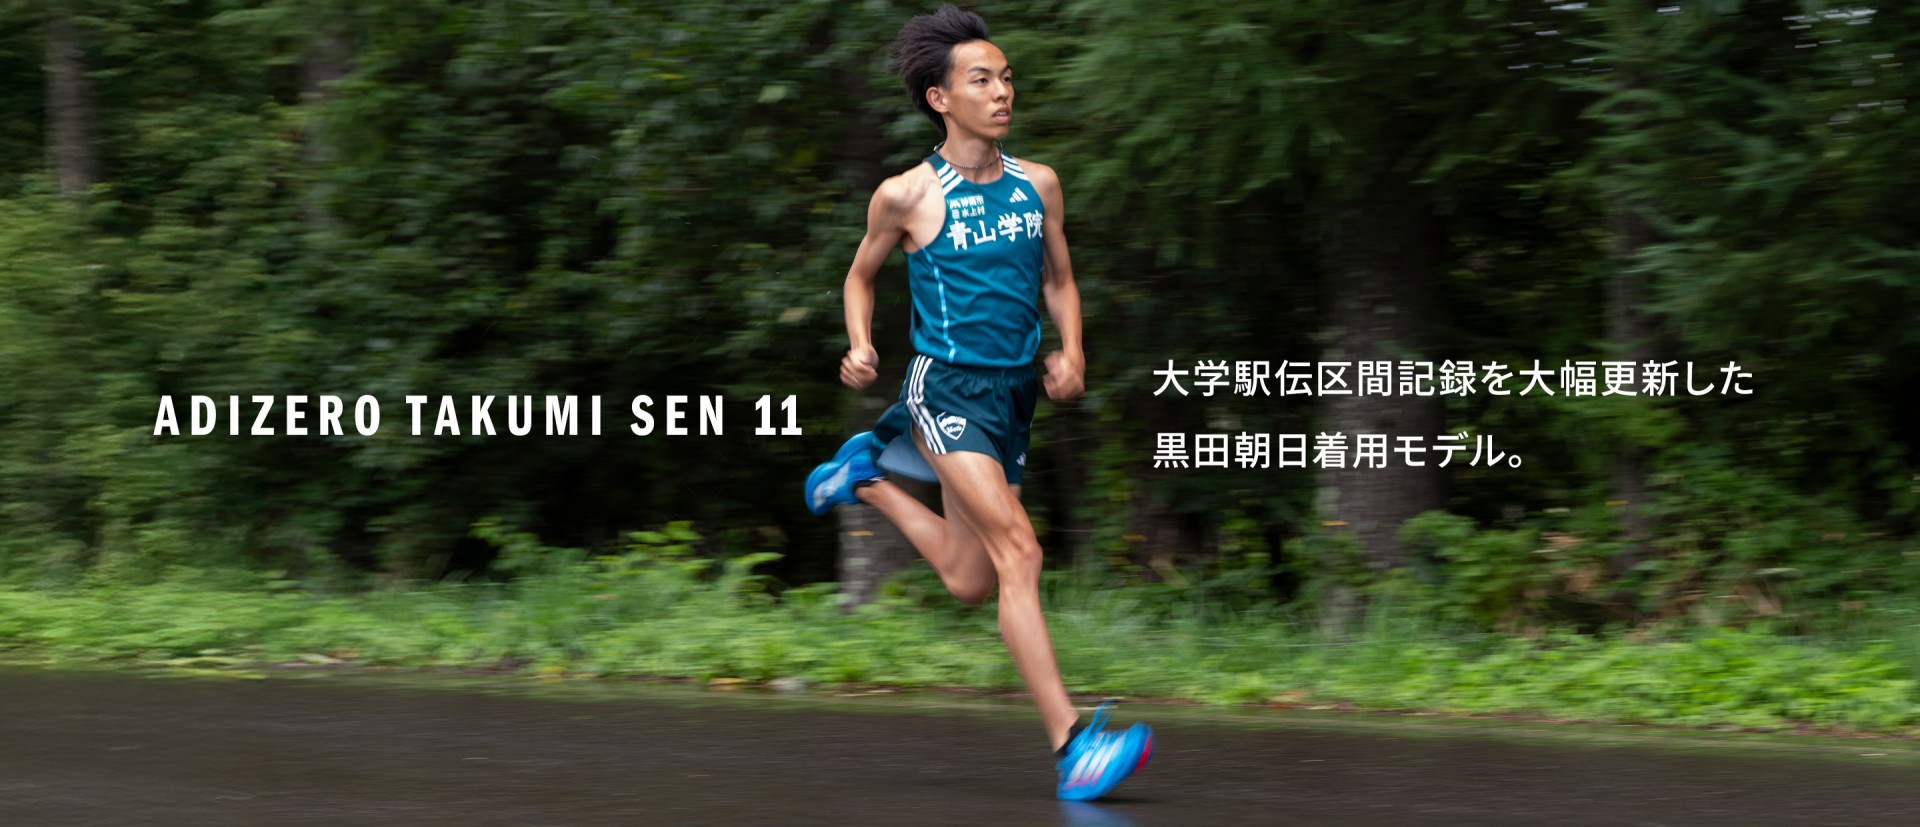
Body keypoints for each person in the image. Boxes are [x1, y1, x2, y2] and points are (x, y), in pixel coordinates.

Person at [802, 4, 1151, 802]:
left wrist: (1073, 350)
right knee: (1020, 554)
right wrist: (860, 343)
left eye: (1006, 78)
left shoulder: (1040, 185)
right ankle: (1072, 746)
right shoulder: (907, 195)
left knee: (969, 579)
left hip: (1012, 395)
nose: (1003, 92)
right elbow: (860, 275)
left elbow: (1060, 280)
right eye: (982, 80)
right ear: (940, 98)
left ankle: (862, 479)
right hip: (945, 391)